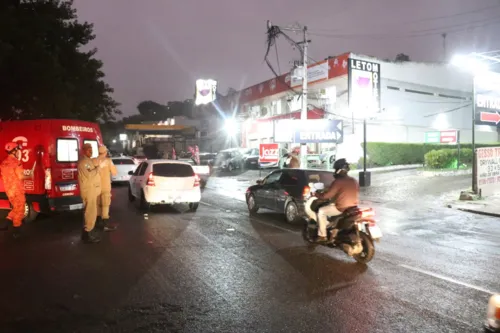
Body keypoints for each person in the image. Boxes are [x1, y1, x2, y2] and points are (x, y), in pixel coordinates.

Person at [315, 158, 359, 243]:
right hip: (353, 207)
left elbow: (327, 196)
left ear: (338, 170)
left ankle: (322, 236)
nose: (334, 171)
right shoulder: (354, 180)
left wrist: (316, 195)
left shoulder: (338, 181)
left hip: (341, 208)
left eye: (335, 169)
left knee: (321, 211)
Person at [0, 142, 35, 238]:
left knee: (15, 208)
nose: (20, 152)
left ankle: (5, 223)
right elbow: (20, 176)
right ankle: (16, 230)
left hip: (9, 191)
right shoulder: (16, 163)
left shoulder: (4, 163)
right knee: (20, 209)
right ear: (14, 151)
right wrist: (29, 174)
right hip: (17, 190)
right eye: (18, 150)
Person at [78, 143, 103, 244]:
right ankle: (87, 234)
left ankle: (88, 233)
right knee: (90, 212)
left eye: (91, 149)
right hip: (88, 191)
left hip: (92, 190)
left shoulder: (89, 161)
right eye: (88, 150)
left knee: (91, 212)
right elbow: (90, 175)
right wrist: (97, 168)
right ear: (84, 150)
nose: (91, 151)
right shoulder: (84, 162)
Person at [94, 146, 118, 232]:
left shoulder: (94, 160)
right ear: (105, 152)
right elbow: (115, 172)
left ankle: (97, 223)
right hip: (105, 187)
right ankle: (105, 225)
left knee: (97, 205)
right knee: (105, 205)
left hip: (95, 187)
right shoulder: (108, 161)